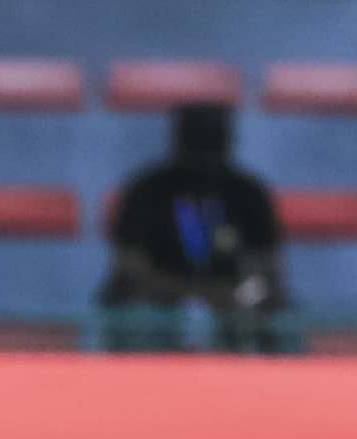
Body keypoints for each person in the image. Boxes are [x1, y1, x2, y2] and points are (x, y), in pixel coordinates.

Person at [99, 102, 290, 353]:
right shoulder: (146, 192)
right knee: (135, 311)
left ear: (227, 141)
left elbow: (267, 276)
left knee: (267, 309)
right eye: (196, 139)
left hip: (234, 303)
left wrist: (232, 296)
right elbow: (130, 273)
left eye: (213, 139)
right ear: (178, 140)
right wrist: (187, 296)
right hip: (158, 304)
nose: (204, 151)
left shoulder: (249, 195)